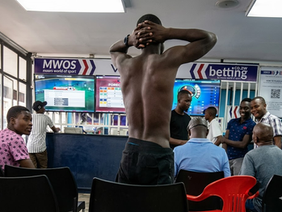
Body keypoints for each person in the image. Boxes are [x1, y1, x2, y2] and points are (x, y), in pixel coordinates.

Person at [110, 14, 217, 185]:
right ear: (160, 40)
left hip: (130, 151)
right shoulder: (167, 59)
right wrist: (168, 32)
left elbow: (114, 50)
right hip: (157, 153)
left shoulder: (125, 64)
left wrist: (128, 39)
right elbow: (209, 38)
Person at [240, 123, 282, 212]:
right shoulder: (281, 153)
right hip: (279, 204)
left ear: (255, 138)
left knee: (234, 201)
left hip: (259, 205)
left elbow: (245, 186)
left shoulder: (251, 156)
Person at [221, 98, 256, 175]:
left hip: (240, 159)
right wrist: (224, 156)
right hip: (227, 158)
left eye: (246, 108)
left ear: (251, 110)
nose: (242, 110)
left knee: (236, 183)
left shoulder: (252, 125)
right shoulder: (232, 122)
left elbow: (243, 144)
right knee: (225, 182)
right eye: (241, 108)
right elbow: (225, 141)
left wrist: (224, 140)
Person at [27, 101, 60, 168]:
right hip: (40, 148)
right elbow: (54, 130)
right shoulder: (46, 118)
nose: (44, 109)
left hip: (29, 148)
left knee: (32, 168)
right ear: (40, 108)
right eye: (43, 107)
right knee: (43, 167)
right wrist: (57, 129)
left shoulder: (30, 117)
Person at [0, 106, 34, 170]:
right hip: (9, 179)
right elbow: (31, 170)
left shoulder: (1, 133)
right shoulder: (15, 138)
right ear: (13, 121)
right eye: (26, 119)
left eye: (30, 120)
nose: (30, 123)